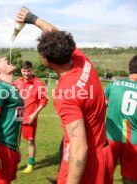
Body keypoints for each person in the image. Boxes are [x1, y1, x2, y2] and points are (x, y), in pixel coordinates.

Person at [16, 8, 113, 183]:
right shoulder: (81, 61)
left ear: (46, 60)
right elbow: (57, 35)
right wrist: (32, 19)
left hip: (86, 162)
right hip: (103, 151)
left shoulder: (65, 92)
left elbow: (79, 147)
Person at [105, 55, 137, 184]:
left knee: (105, 175)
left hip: (110, 137)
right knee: (131, 179)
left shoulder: (114, 85)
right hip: (134, 140)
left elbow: (100, 107)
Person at [14, 60, 48, 173]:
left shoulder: (39, 83)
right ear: (21, 71)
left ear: (32, 70)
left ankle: (30, 164)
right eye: (24, 71)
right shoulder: (17, 82)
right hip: (17, 116)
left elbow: (44, 101)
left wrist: (35, 114)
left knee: (30, 141)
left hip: (30, 117)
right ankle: (14, 162)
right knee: (14, 141)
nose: (26, 73)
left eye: (28, 71)